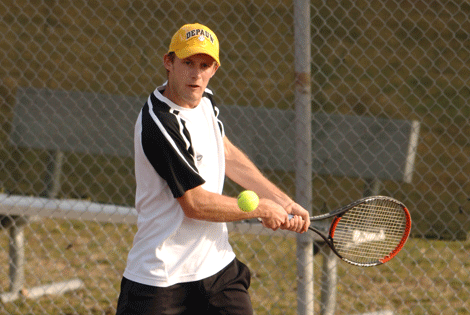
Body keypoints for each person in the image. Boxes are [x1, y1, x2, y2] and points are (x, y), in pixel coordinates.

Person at [115, 23, 311, 315]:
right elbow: (194, 203)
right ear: (168, 62)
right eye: (188, 63)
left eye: (204, 65)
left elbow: (228, 154)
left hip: (217, 269)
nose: (196, 74)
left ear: (214, 69)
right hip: (161, 278)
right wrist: (261, 209)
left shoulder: (206, 102)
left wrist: (283, 201)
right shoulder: (160, 123)